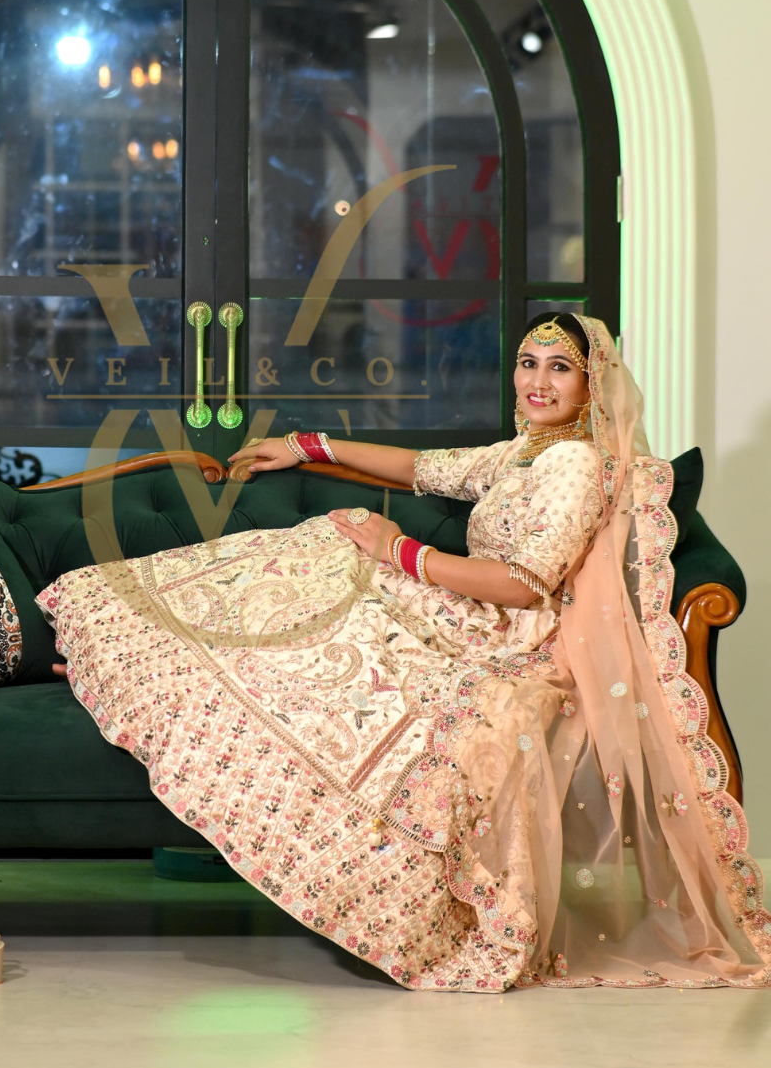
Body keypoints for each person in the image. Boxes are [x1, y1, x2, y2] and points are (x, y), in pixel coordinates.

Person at [39, 314, 770, 990]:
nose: (538, 382)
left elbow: (523, 586)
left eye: (560, 368)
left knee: (327, 572)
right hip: (466, 608)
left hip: (505, 636)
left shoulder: (575, 463)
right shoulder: (527, 452)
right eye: (528, 363)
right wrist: (309, 445)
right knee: (320, 561)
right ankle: (135, 655)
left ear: (591, 383)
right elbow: (424, 467)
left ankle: (136, 654)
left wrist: (401, 552)